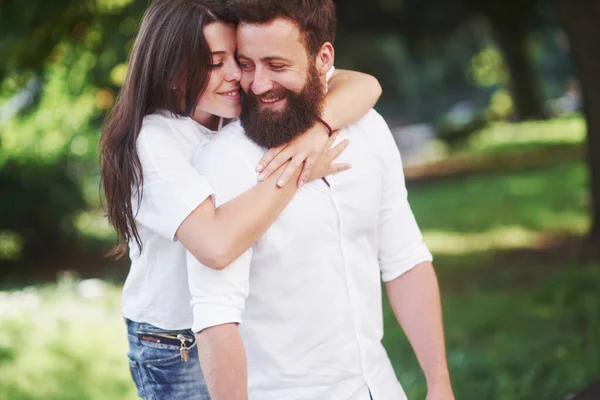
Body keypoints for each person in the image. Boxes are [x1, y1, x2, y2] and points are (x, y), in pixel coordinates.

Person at [98, 0, 381, 399]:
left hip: (229, 322)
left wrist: (316, 129)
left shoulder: (228, 110)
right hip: (176, 344)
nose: (237, 75)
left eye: (237, 59)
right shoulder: (154, 142)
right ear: (172, 68)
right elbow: (215, 246)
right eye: (215, 62)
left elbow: (364, 84)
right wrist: (299, 169)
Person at [186, 1, 455, 399]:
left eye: (277, 66)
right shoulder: (222, 161)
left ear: (323, 58)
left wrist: (439, 385)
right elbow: (216, 318)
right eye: (246, 64)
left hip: (379, 387)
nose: (258, 85)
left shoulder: (368, 129)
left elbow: (405, 260)